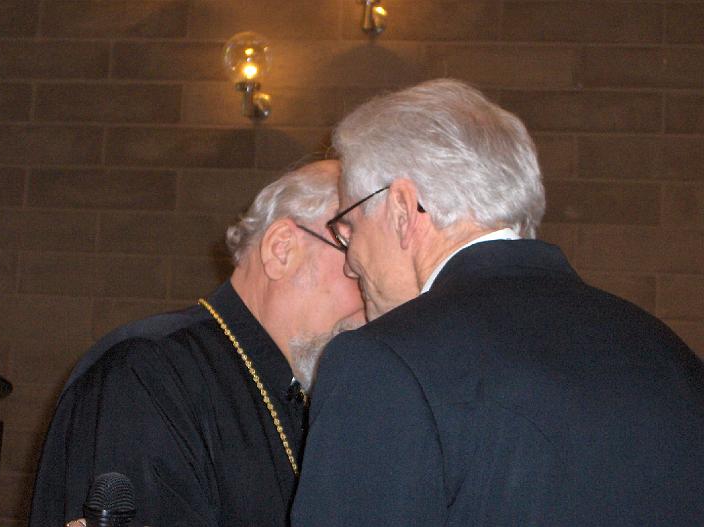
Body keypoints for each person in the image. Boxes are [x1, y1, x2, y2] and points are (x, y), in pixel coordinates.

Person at [291, 80, 704, 526]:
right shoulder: (669, 354)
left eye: (349, 228)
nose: (350, 263)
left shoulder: (384, 365)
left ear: (403, 209)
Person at [29, 160, 365, 527]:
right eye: (358, 269)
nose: (373, 301)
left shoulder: (307, 393)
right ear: (281, 249)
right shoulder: (146, 373)